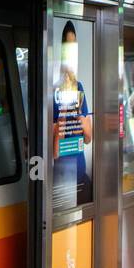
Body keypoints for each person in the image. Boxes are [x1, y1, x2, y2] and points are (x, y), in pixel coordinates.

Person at [52, 21, 93, 208]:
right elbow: (54, 151)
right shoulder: (53, 91)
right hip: (62, 177)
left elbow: (88, 138)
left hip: (81, 174)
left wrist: (79, 116)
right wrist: (62, 115)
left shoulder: (80, 87)